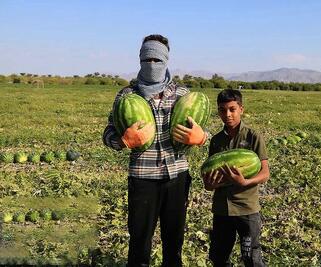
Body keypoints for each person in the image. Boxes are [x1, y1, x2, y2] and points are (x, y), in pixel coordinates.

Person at [103, 34, 207, 266]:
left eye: (157, 59)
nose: (151, 64)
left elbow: (202, 130)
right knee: (140, 243)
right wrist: (123, 141)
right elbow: (108, 133)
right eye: (147, 59)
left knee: (174, 242)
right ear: (140, 59)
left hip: (177, 177)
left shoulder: (182, 94)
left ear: (166, 60)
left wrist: (201, 138)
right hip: (142, 179)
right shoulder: (126, 96)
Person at [202, 89, 270, 267]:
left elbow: (265, 173)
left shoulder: (253, 137)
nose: (228, 114)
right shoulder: (216, 141)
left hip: (246, 208)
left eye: (232, 109)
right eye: (222, 110)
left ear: (241, 109)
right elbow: (209, 179)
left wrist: (245, 182)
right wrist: (209, 185)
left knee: (251, 256)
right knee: (219, 256)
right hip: (222, 209)